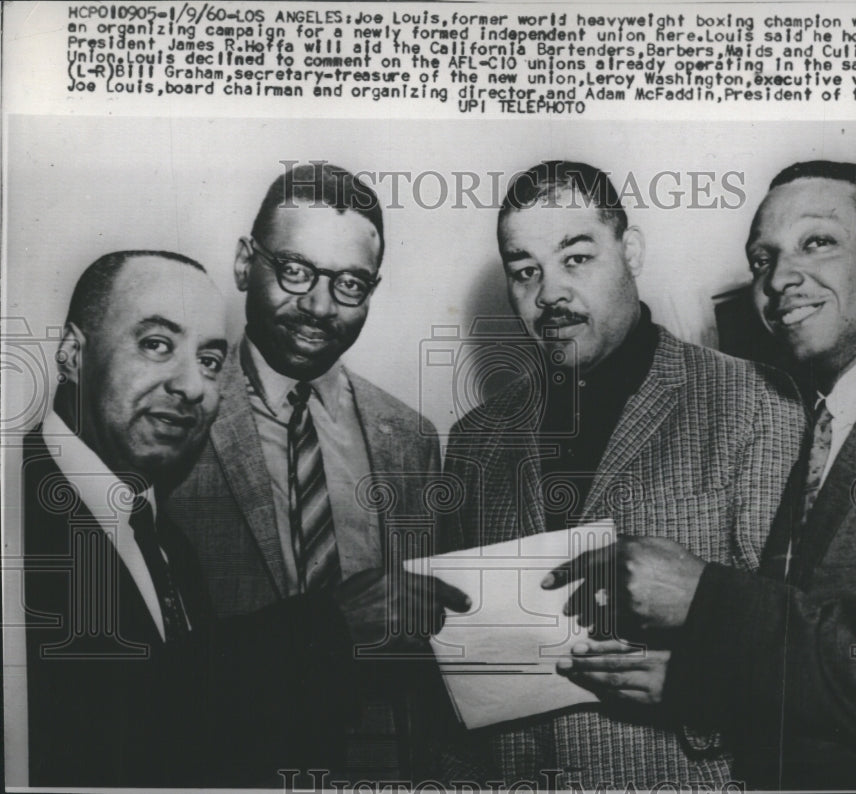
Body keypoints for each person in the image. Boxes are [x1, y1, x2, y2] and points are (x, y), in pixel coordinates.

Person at [550, 161, 856, 789]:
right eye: (762, 259)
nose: (780, 278)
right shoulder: (824, 423)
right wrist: (703, 681)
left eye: (818, 242)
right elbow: (835, 665)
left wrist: (706, 599)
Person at [22, 250, 469, 787]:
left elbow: (188, 736)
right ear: (72, 352)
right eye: (156, 344)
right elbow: (100, 724)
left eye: (210, 360)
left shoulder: (164, 543)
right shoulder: (16, 514)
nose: (192, 386)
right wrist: (333, 627)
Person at [439, 161, 806, 789]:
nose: (549, 294)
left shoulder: (757, 403)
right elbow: (455, 668)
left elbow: (805, 643)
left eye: (575, 259)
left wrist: (699, 688)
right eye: (525, 271)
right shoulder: (474, 439)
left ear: (630, 251)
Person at [163, 163, 448, 779]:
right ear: (245, 264)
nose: (319, 306)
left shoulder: (412, 442)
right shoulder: (173, 417)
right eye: (294, 271)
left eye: (349, 284)